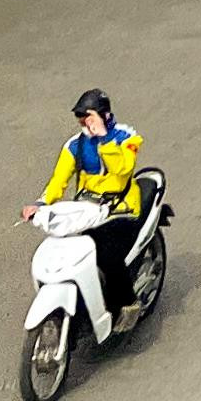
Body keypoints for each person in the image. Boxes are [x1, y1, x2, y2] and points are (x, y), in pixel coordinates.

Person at [40, 88, 153, 321]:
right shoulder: (75, 145)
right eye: (81, 118)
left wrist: (104, 138)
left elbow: (123, 170)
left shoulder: (127, 137)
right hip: (87, 212)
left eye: (88, 116)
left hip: (121, 211)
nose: (84, 122)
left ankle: (128, 304)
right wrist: (41, 203)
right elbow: (58, 180)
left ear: (104, 115)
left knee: (105, 254)